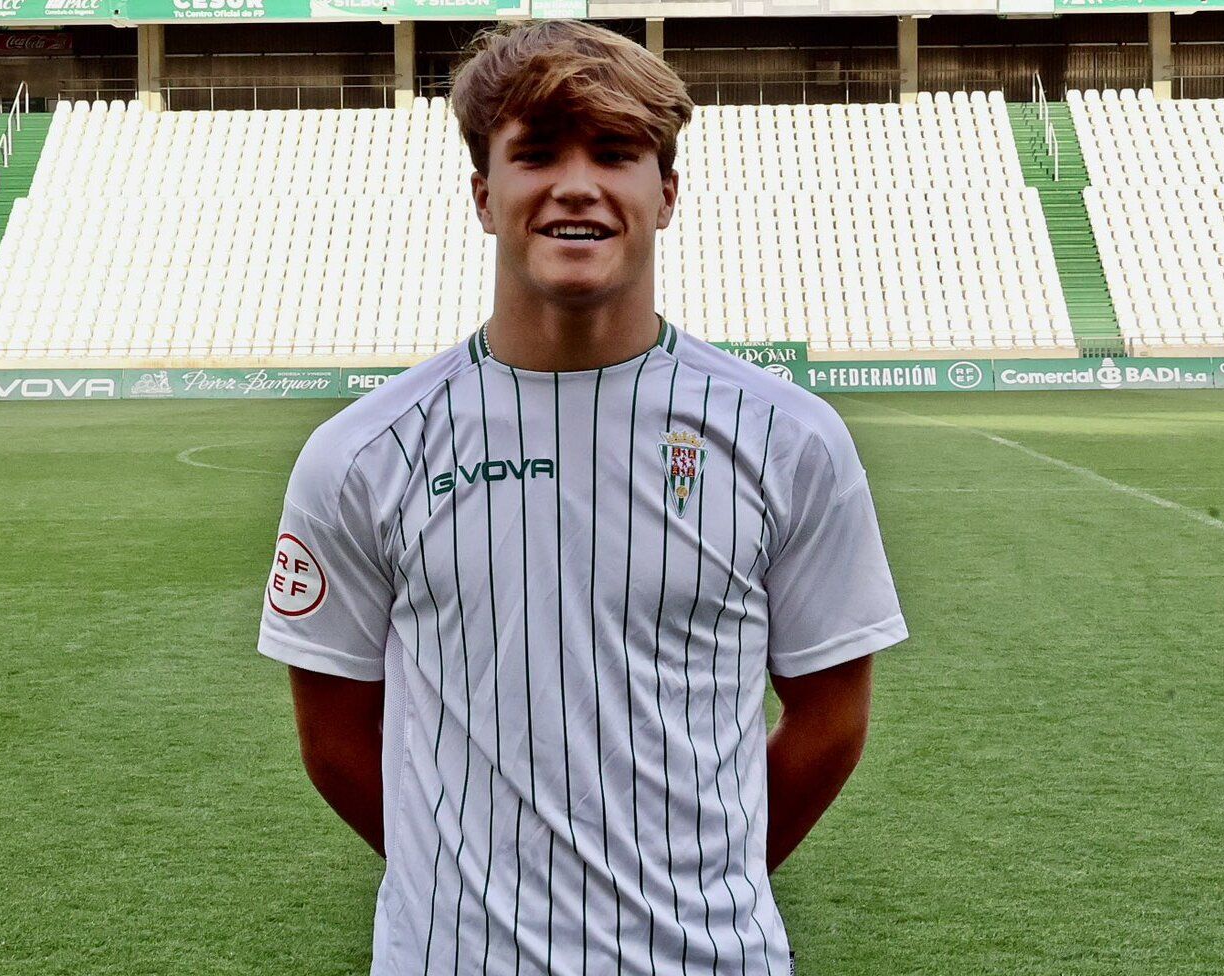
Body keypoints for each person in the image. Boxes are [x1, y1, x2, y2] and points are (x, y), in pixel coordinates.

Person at [258, 19, 907, 975]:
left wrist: (696, 887)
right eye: (536, 155)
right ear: (485, 196)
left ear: (667, 194)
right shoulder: (360, 455)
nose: (575, 185)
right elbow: (333, 738)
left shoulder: (789, 438)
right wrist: (468, 893)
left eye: (613, 153)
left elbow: (831, 721)